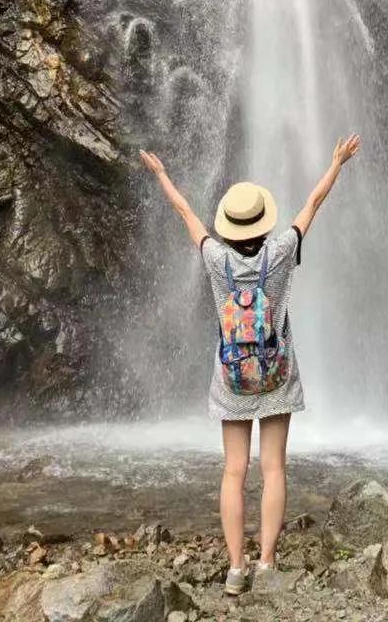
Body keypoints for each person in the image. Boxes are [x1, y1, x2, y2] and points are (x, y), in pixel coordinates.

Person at [139, 134, 362, 594]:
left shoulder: (215, 259)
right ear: (263, 224)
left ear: (228, 228)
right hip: (277, 375)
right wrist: (337, 162)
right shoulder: (280, 253)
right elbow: (313, 204)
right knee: (274, 469)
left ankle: (236, 569)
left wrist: (162, 175)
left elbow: (185, 213)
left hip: (231, 379)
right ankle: (266, 564)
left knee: (234, 471)